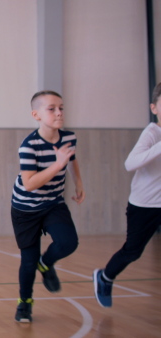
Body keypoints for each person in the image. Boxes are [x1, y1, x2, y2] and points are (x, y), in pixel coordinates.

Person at [10, 90, 85, 323]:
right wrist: (58, 164)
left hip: (53, 202)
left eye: (61, 107)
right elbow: (30, 184)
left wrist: (78, 182)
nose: (59, 112)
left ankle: (47, 263)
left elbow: (71, 158)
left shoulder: (69, 137)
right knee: (28, 261)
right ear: (36, 114)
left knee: (68, 242)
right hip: (26, 208)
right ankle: (25, 303)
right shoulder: (28, 146)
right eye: (51, 109)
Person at [93, 83, 161, 308]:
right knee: (133, 252)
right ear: (154, 108)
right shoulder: (152, 133)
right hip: (144, 205)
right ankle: (105, 277)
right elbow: (130, 163)